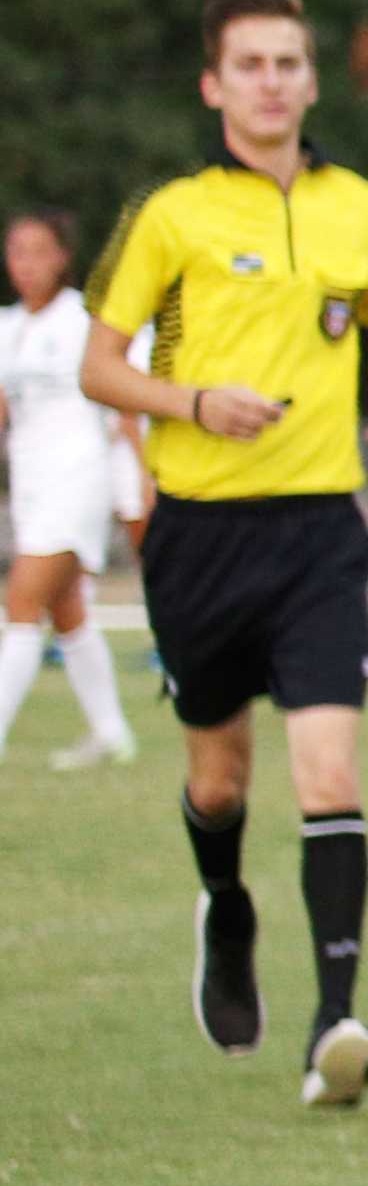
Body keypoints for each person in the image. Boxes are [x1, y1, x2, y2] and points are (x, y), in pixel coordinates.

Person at [80, 0, 368, 1102]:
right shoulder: (170, 213)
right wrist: (193, 403)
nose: (271, 81)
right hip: (198, 533)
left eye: (289, 61)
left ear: (311, 77)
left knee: (331, 767)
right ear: (214, 85)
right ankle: (228, 905)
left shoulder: (366, 208)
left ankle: (334, 1021)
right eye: (248, 64)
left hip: (318, 529)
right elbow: (98, 365)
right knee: (219, 776)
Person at [3, 207, 151, 768]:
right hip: (32, 484)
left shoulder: (83, 321)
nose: (28, 265)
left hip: (79, 477)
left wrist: (141, 476)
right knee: (66, 610)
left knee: (21, 600)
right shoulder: (8, 329)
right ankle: (112, 734)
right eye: (18, 252)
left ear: (62, 257)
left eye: (40, 252)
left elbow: (125, 404)